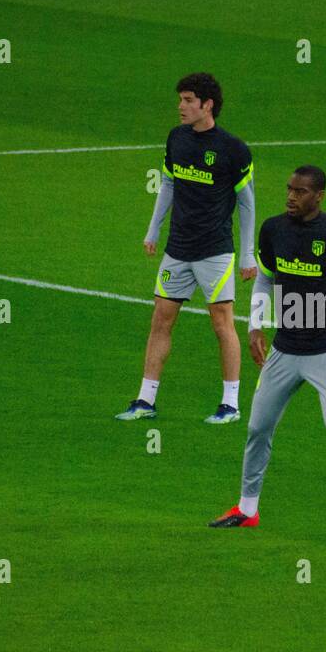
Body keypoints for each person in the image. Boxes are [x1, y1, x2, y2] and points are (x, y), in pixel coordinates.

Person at [209, 165, 326, 542]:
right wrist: (255, 324)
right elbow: (266, 278)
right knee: (256, 428)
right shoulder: (273, 230)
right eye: (288, 189)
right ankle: (247, 509)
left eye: (300, 192)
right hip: (284, 352)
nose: (290, 196)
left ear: (319, 196)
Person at [116, 73, 257, 424]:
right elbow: (167, 184)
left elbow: (247, 204)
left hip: (215, 251)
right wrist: (153, 231)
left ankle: (231, 404)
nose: (181, 107)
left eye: (188, 100)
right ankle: (145, 400)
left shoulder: (233, 149)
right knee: (161, 319)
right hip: (177, 248)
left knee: (221, 323)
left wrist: (248, 253)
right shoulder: (176, 139)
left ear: (207, 105)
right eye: (180, 99)